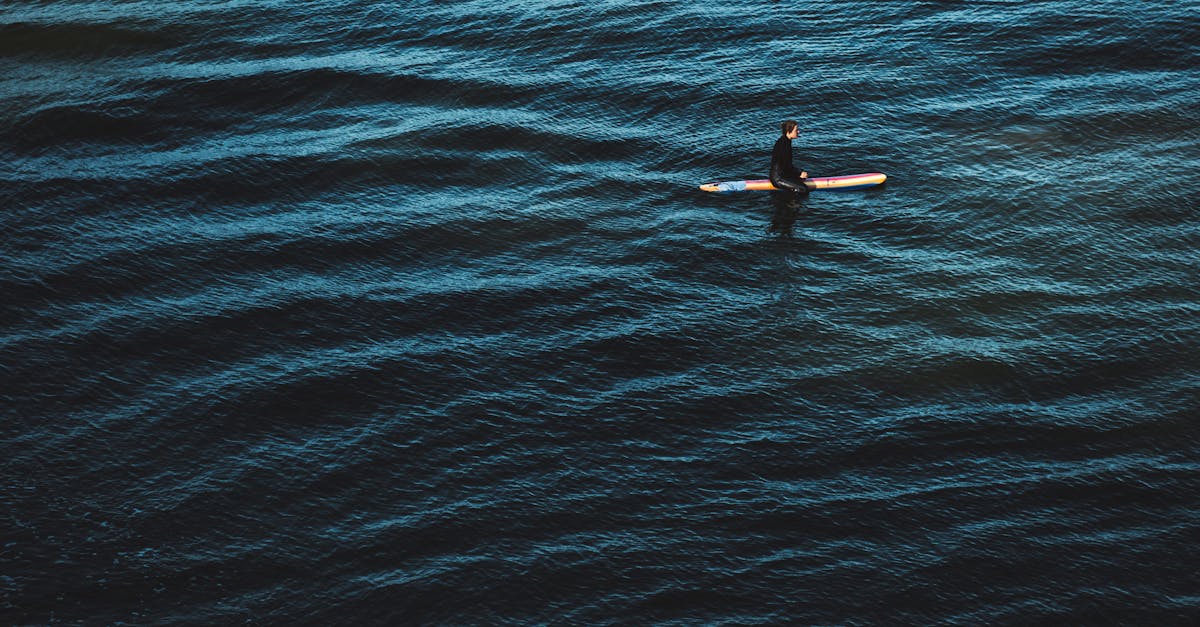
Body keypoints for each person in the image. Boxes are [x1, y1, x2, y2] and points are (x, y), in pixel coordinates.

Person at [769, 120, 815, 196]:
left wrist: (798, 174)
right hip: (778, 178)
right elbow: (784, 166)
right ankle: (791, 205)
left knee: (801, 181)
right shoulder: (782, 145)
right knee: (803, 189)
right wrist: (799, 173)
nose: (798, 132)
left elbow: (787, 165)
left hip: (783, 174)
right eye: (796, 130)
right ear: (788, 131)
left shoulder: (786, 141)